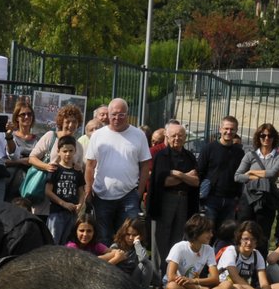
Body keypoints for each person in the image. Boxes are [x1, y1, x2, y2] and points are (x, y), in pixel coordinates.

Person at [83, 98, 151, 242]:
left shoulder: (138, 135)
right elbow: (90, 165)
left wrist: (139, 191)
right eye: (113, 114)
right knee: (103, 236)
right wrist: (89, 189)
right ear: (108, 114)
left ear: (127, 114)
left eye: (121, 114)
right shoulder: (98, 135)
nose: (117, 118)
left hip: (129, 195)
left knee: (129, 236)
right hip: (101, 195)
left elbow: (145, 165)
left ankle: (126, 264)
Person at [26, 104, 85, 243]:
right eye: (68, 121)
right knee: (43, 235)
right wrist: (47, 166)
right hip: (45, 196)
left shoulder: (79, 146)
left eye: (74, 122)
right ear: (61, 122)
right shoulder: (50, 136)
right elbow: (32, 158)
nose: (71, 125)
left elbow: (78, 171)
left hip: (66, 203)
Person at [148, 120, 199, 263]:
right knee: (162, 236)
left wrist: (178, 174)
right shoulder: (162, 156)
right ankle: (159, 273)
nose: (177, 138)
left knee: (178, 236)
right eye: (174, 136)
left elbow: (195, 181)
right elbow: (164, 182)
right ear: (168, 137)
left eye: (181, 135)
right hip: (166, 200)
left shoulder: (190, 157)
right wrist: (186, 177)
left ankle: (172, 269)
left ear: (185, 137)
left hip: (184, 200)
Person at [233, 123, 279, 250]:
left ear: (275, 138)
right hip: (248, 198)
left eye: (270, 136)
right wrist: (259, 176)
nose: (266, 138)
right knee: (243, 230)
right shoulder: (250, 155)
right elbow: (237, 176)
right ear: (258, 137)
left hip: (267, 200)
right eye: (263, 135)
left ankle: (260, 264)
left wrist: (251, 172)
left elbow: (272, 174)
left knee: (262, 234)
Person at [213, 221, 279, 289]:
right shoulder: (231, 251)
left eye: (253, 239)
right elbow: (235, 278)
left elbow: (263, 282)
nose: (249, 243)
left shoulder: (257, 255)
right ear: (239, 239)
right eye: (245, 239)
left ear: (257, 241)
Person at [163, 212, 221, 289]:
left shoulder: (209, 249)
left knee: (227, 284)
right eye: (208, 232)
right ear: (197, 232)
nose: (211, 235)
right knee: (171, 287)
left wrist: (193, 281)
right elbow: (171, 277)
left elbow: (215, 279)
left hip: (195, 287)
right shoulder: (179, 247)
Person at [197, 115, 245, 224]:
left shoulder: (239, 152)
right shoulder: (208, 149)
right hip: (210, 199)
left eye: (232, 129)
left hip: (231, 200)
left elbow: (240, 175)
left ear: (236, 130)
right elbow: (200, 172)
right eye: (226, 128)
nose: (229, 132)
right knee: (207, 232)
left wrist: (238, 197)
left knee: (226, 234)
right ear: (220, 129)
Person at [101, 217, 157, 289]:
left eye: (134, 235)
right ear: (123, 233)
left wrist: (137, 243)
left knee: (147, 264)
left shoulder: (139, 247)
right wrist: (117, 258)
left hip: (133, 281)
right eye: (128, 234)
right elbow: (107, 266)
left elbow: (143, 260)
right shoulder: (116, 247)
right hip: (119, 281)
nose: (131, 238)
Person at [5, 98, 39, 201]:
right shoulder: (10, 136)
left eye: (29, 114)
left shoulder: (38, 140)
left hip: (31, 183)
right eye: (23, 114)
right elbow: (1, 160)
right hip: (12, 182)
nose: (26, 117)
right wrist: (21, 161)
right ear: (17, 118)